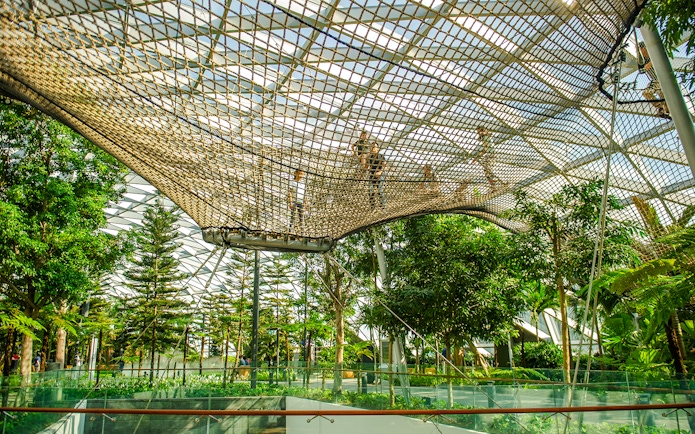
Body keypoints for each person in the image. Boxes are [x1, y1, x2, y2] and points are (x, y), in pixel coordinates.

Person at [638, 42, 670, 119]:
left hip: (663, 77)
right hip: (655, 80)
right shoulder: (641, 60)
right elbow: (642, 69)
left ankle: (666, 110)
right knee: (646, 93)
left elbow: (665, 54)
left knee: (662, 93)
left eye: (640, 49)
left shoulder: (654, 54)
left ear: (644, 48)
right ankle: (660, 107)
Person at [476, 126, 503, 191]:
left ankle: (494, 178)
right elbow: (485, 149)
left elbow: (489, 133)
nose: (479, 133)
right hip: (489, 154)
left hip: (492, 154)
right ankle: (493, 187)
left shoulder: (486, 136)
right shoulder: (484, 139)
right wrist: (477, 157)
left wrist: (483, 133)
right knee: (485, 171)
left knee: (488, 168)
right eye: (478, 132)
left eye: (479, 131)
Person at [367, 141, 387, 209]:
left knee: (380, 191)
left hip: (380, 175)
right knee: (370, 190)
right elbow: (366, 167)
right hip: (372, 175)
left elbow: (385, 166)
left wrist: (380, 172)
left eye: (374, 147)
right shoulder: (369, 157)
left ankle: (383, 206)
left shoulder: (381, 156)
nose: (373, 148)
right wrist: (360, 175)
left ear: (378, 149)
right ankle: (372, 207)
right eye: (372, 147)